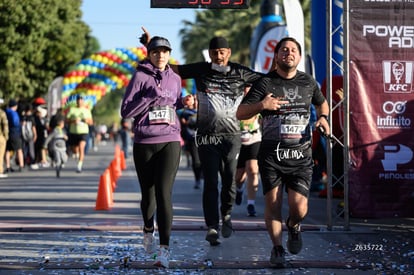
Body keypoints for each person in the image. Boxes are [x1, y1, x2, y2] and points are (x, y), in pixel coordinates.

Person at [140, 30, 264, 246]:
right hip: (207, 136)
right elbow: (165, 66)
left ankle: (226, 214)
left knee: (228, 180)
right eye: (215, 53)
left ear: (229, 53)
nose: (218, 56)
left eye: (222, 52)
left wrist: (260, 102)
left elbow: (265, 81)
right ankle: (212, 227)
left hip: (232, 136)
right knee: (210, 182)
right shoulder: (201, 69)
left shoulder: (240, 72)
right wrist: (150, 47)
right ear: (211, 54)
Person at [236, 37, 330, 266]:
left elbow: (322, 103)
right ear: (276, 56)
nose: (289, 53)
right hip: (271, 156)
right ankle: (277, 249)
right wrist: (261, 106)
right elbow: (240, 113)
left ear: (299, 56)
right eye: (284, 50)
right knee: (273, 205)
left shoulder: (308, 82)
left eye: (294, 50)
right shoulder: (264, 83)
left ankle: (294, 225)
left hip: (301, 156)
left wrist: (324, 118)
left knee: (299, 208)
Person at [120, 36, 186, 268]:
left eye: (165, 52)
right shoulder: (140, 76)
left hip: (170, 140)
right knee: (148, 196)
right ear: (149, 54)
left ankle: (164, 250)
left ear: (169, 54)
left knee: (164, 194)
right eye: (156, 52)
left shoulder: (175, 78)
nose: (161, 56)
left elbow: (174, 103)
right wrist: (148, 98)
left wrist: (185, 102)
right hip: (144, 142)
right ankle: (148, 228)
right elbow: (126, 111)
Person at [235, 84, 261, 217]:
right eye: (244, 88)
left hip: (254, 139)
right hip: (238, 141)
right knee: (238, 176)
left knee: (252, 169)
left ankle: (251, 204)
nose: (247, 91)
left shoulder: (259, 102)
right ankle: (239, 189)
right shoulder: (236, 102)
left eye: (249, 88)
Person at [177, 93, 202, 189]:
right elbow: (182, 127)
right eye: (194, 100)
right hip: (192, 139)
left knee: (204, 161)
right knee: (196, 161)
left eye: (198, 100)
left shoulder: (205, 111)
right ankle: (197, 179)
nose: (196, 102)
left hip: (204, 139)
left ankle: (203, 175)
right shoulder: (185, 113)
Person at [66, 95, 93, 173]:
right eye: (78, 99)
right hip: (73, 132)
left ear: (83, 101)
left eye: (81, 99)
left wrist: (86, 121)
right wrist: (73, 121)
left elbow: (91, 122)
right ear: (76, 101)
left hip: (84, 132)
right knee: (75, 149)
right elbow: (66, 120)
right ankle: (76, 153)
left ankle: (79, 165)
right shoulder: (72, 109)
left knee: (81, 147)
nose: (80, 101)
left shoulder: (87, 110)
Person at [5, 99, 24, 172]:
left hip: (7, 133)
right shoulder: (13, 113)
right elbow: (15, 122)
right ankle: (21, 165)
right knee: (19, 149)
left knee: (7, 150)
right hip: (15, 133)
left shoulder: (5, 112)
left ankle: (8, 166)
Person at [0, 98, 9, 178]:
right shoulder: (2, 113)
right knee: (0, 154)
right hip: (0, 136)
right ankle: (0, 170)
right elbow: (5, 125)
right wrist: (6, 136)